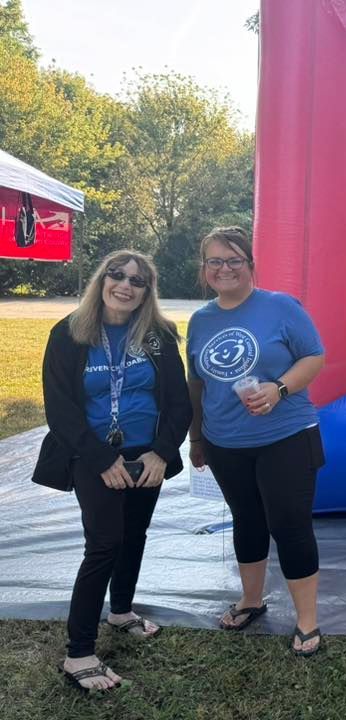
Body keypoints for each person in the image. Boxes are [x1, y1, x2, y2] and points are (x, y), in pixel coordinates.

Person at [33, 250, 191, 691]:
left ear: (147, 291)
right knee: (104, 543)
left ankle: (120, 611)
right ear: (101, 280)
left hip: (147, 455)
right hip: (92, 454)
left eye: (136, 281)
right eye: (116, 275)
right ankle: (79, 653)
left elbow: (178, 403)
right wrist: (103, 460)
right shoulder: (68, 334)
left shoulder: (158, 335)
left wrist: (161, 453)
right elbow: (60, 409)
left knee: (134, 534)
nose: (125, 285)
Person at [186, 227, 326, 657]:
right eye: (215, 261)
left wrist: (278, 389)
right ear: (204, 269)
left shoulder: (280, 307)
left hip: (285, 436)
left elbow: (314, 356)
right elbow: (197, 382)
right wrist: (197, 437)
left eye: (233, 260)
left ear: (250, 264)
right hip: (225, 441)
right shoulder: (201, 320)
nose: (224, 268)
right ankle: (251, 600)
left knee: (288, 524)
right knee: (245, 518)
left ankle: (307, 621)